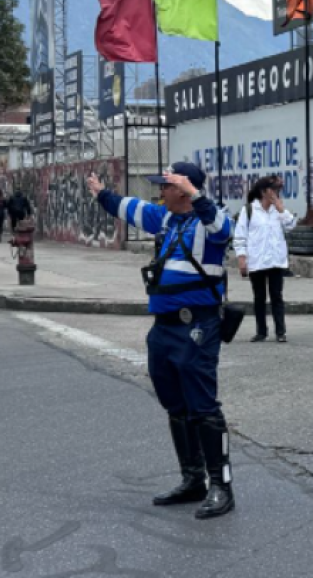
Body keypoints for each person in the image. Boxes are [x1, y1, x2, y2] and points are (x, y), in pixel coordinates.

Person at [87, 162, 235, 520]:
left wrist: (195, 192)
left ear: (184, 189)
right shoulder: (168, 219)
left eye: (166, 186)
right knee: (176, 406)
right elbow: (131, 208)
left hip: (196, 326)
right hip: (164, 328)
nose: (159, 192)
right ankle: (193, 479)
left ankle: (221, 485)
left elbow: (221, 227)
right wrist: (101, 193)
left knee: (202, 406)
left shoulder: (210, 223)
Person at [234, 175, 295, 343]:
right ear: (263, 191)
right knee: (259, 297)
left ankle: (280, 332)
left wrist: (281, 209)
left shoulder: (279, 210)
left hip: (276, 260)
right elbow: (240, 236)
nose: (276, 193)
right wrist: (241, 258)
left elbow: (291, 226)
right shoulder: (249, 210)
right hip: (256, 260)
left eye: (277, 190)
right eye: (273, 189)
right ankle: (261, 331)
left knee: (277, 296)